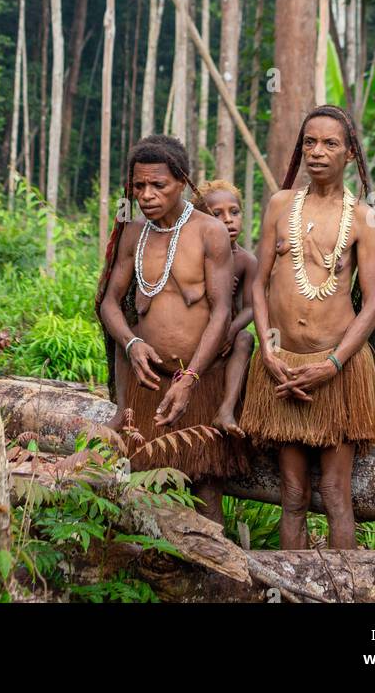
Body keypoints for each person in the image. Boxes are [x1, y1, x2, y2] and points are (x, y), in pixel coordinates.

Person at [239, 105, 375, 549]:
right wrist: (267, 350)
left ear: (349, 153)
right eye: (309, 142)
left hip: (336, 372)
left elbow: (374, 305)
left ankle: (346, 590)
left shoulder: (362, 217)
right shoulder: (281, 205)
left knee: (336, 494)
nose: (317, 152)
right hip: (282, 369)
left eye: (330, 143)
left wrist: (334, 364)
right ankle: (293, 590)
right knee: (293, 496)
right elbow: (258, 286)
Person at [97, 134, 248, 522]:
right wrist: (131, 343)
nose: (146, 195)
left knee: (204, 488)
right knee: (148, 490)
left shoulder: (208, 232)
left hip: (199, 380)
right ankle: (157, 575)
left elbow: (220, 312)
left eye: (158, 185)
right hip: (148, 383)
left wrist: (191, 378)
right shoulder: (134, 232)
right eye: (139, 186)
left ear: (181, 182)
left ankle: (215, 575)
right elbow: (109, 303)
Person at [194, 180, 257, 437]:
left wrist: (230, 330)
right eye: (216, 214)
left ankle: (227, 409)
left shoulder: (245, 260)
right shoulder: (193, 253)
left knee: (245, 338)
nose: (228, 220)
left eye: (234, 212)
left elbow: (251, 307)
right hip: (194, 331)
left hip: (226, 337)